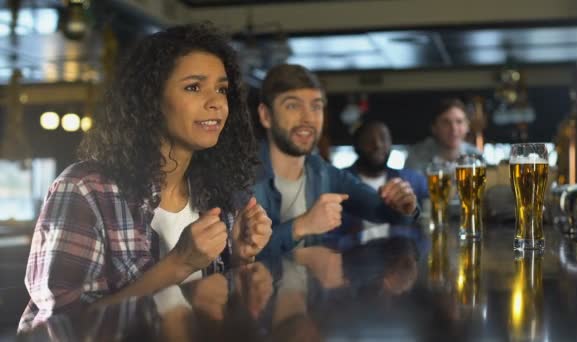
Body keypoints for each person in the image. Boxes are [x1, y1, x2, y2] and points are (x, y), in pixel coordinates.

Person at [19, 23, 272, 331]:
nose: (216, 102)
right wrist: (178, 263)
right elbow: (59, 330)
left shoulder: (216, 193)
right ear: (150, 99)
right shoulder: (85, 189)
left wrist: (241, 260)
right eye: (194, 87)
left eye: (221, 89)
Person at [253, 64, 418, 259]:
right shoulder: (242, 176)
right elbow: (237, 257)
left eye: (316, 106)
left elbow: (382, 211)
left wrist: (405, 205)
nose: (308, 118)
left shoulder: (322, 171)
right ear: (266, 116)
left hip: (312, 288)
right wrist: (301, 226)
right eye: (293, 105)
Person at [404, 98, 481, 173]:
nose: (453, 129)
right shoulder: (417, 155)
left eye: (459, 121)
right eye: (446, 122)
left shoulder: (476, 155)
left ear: (467, 126)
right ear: (434, 128)